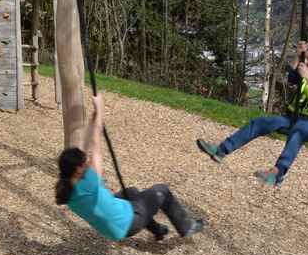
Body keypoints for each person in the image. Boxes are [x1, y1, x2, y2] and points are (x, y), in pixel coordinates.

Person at [56, 94, 203, 242]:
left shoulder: (66, 187)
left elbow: (83, 148)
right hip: (127, 224)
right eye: (85, 162)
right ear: (78, 169)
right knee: (162, 191)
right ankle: (187, 227)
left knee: (130, 192)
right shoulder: (89, 183)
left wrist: (93, 119)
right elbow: (95, 146)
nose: (88, 162)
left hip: (109, 229)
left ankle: (158, 230)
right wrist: (100, 112)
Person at [196, 41, 308, 187]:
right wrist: (299, 54)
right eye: (305, 59)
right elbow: (291, 77)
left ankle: (277, 173)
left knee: (298, 131)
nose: (306, 62)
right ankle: (221, 150)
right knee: (261, 122)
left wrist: (307, 77)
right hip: (292, 119)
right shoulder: (304, 72)